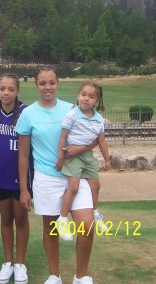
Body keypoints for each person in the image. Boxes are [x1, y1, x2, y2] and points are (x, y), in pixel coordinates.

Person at [16, 66, 96, 284]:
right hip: (45, 178)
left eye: (51, 82)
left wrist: (77, 151)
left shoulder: (72, 109)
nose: (47, 87)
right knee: (51, 228)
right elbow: (23, 155)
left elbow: (92, 137)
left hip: (74, 175)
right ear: (36, 85)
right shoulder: (28, 114)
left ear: (57, 83)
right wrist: (24, 189)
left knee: (87, 225)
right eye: (43, 83)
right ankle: (55, 275)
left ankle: (81, 276)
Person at [0, 74, 32, 284]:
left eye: (10, 89)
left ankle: (20, 263)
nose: (6, 93)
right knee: (6, 220)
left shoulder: (26, 112)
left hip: (19, 179)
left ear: (17, 91)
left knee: (21, 219)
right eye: (2, 88)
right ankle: (8, 263)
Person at [55, 82, 111, 241]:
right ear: (78, 96)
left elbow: (101, 141)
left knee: (96, 185)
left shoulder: (98, 119)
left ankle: (95, 214)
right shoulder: (72, 115)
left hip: (87, 157)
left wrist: (107, 160)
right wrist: (60, 158)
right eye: (84, 95)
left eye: (91, 96)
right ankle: (63, 219)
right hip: (72, 157)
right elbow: (63, 137)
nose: (86, 99)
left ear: (97, 100)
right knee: (73, 188)